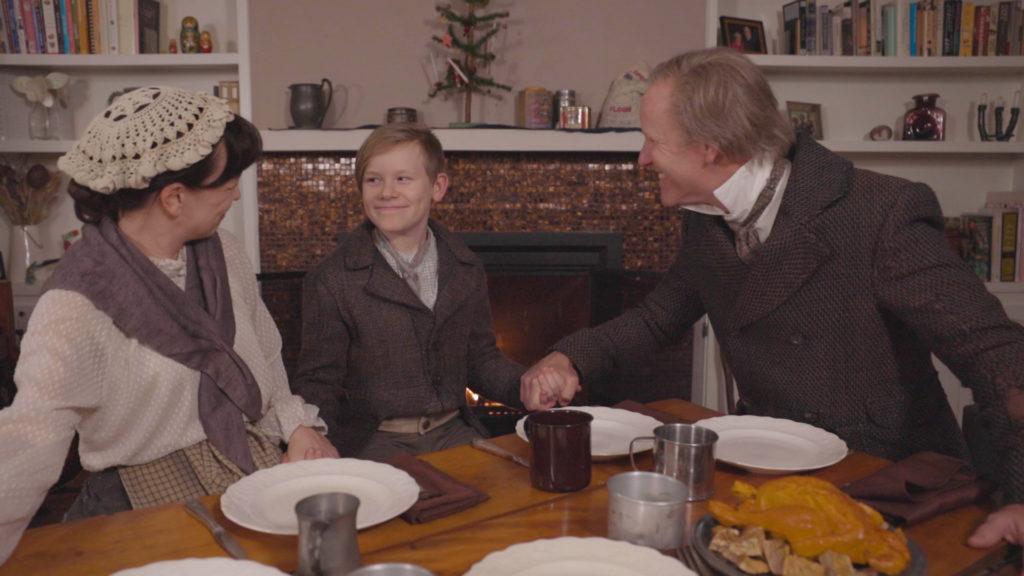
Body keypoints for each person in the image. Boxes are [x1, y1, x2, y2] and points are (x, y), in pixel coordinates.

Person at [521, 48, 1024, 558]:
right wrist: (570, 358)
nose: (643, 159)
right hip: (765, 474)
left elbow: (995, 353)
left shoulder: (882, 212)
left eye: (654, 141)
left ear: (710, 148)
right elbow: (657, 318)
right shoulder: (706, 216)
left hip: (891, 487)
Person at [0, 86, 337, 565]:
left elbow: (263, 354)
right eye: (228, 182)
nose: (237, 193)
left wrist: (296, 425)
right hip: (139, 497)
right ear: (175, 198)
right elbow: (29, 440)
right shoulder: (77, 303)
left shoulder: (225, 252)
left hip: (245, 462)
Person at [291, 122, 544, 461]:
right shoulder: (333, 280)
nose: (387, 192)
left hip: (453, 430)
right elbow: (319, 382)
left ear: (438, 187)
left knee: (506, 481)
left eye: (402, 178)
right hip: (375, 439)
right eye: (373, 180)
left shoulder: (464, 267)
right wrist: (317, 442)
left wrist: (526, 386)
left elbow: (481, 360)